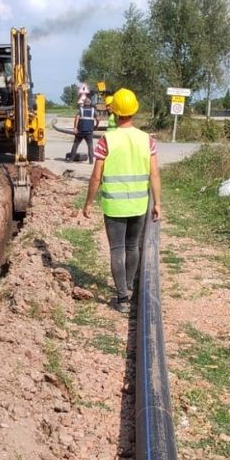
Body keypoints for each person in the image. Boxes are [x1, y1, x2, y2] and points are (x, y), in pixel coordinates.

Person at [81, 87, 161, 312]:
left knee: (117, 249)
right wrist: (158, 204)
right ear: (134, 111)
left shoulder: (107, 140)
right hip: (139, 204)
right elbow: (154, 174)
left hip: (114, 205)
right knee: (132, 246)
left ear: (113, 112)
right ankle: (128, 286)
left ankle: (122, 298)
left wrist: (88, 203)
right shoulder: (147, 140)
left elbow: (96, 175)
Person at [67, 95, 97, 162]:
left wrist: (75, 128)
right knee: (90, 145)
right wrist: (96, 126)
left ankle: (71, 159)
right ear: (90, 103)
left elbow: (77, 118)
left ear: (84, 103)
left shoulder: (80, 110)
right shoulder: (93, 110)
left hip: (80, 130)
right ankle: (91, 161)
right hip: (89, 131)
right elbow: (98, 119)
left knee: (76, 144)